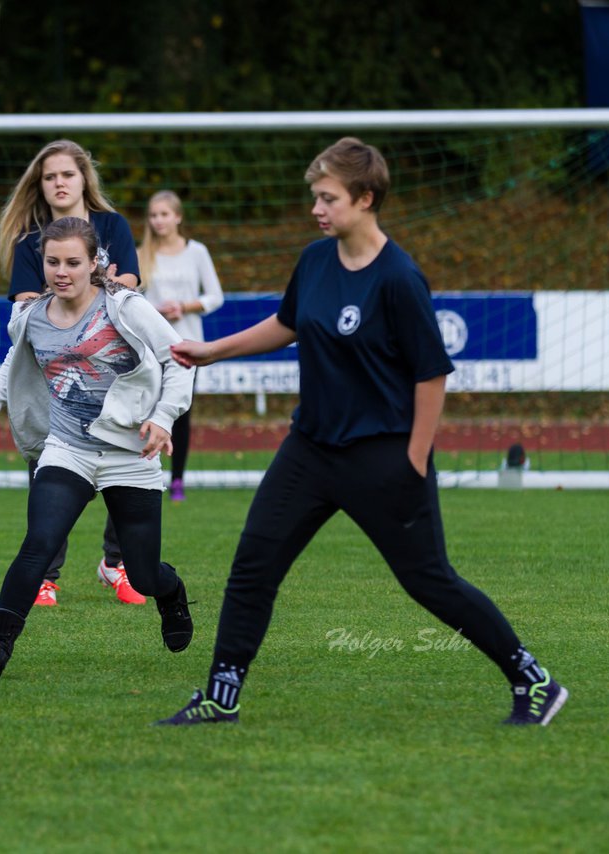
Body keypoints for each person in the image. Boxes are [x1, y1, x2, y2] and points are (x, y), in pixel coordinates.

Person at [155, 138, 567, 727]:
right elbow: (287, 323)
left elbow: (432, 376)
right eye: (315, 197)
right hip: (310, 450)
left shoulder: (400, 278)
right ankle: (221, 698)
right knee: (253, 566)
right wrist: (212, 350)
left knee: (430, 582)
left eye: (328, 198)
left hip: (384, 457)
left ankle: (533, 680)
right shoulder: (316, 260)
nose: (317, 209)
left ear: (366, 198)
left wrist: (415, 460)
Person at [0, 217, 194, 679]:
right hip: (67, 448)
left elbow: (181, 358)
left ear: (95, 263)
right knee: (38, 546)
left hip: (130, 453)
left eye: (73, 262)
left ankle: (170, 594)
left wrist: (162, 416)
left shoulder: (124, 307)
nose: (61, 271)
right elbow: (15, 356)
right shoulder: (32, 315)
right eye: (53, 262)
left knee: (145, 574)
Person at [0, 139, 146, 607]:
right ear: (40, 186)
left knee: (128, 463)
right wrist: (91, 286)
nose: (59, 182)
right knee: (48, 466)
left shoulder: (113, 226)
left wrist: (69, 292)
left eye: (67, 174)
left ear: (84, 179)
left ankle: (116, 564)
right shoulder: (29, 240)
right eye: (49, 176)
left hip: (113, 368)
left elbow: (131, 286)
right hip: (53, 375)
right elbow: (24, 308)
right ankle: (45, 574)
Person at [138, 190, 225, 502]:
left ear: (177, 216)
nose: (158, 220)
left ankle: (177, 480)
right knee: (147, 409)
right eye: (153, 215)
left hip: (188, 344)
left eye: (164, 214)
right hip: (151, 346)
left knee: (180, 412)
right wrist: (155, 310)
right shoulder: (142, 253)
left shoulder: (196, 252)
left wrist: (186, 307)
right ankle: (144, 475)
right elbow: (131, 299)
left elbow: (215, 296)